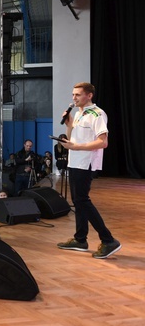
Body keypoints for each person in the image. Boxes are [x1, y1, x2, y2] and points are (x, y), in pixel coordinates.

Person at [57, 82, 121, 259]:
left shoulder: (97, 114)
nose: (73, 98)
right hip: (74, 161)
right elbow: (71, 139)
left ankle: (108, 240)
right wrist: (68, 126)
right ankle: (80, 239)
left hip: (86, 163)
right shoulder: (77, 114)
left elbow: (103, 142)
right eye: (73, 95)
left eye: (78, 94)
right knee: (78, 202)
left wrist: (76, 147)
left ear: (89, 95)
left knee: (83, 200)